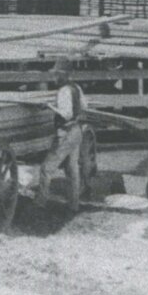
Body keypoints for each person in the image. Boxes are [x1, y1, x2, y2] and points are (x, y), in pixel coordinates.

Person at [41, 63, 89, 213]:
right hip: (77, 131)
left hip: (66, 132)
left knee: (46, 169)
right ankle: (74, 205)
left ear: (63, 74)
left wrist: (49, 106)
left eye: (56, 74)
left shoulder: (63, 91)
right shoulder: (77, 88)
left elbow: (66, 114)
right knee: (72, 168)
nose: (54, 77)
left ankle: (39, 203)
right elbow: (85, 106)